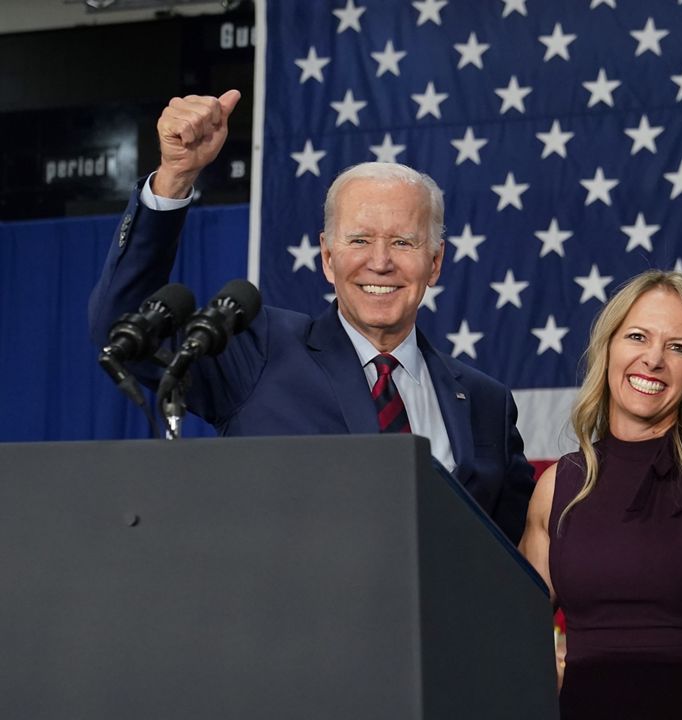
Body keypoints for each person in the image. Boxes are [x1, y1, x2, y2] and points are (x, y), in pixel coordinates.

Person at [87, 90, 534, 543]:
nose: (380, 262)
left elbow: (514, 567)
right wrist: (176, 177)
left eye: (403, 242)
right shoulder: (259, 350)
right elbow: (124, 327)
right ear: (327, 256)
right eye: (359, 240)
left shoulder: (486, 403)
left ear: (435, 262)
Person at [519, 270, 682, 719]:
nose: (653, 360)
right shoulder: (557, 488)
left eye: (678, 347)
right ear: (608, 349)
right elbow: (513, 635)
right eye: (638, 337)